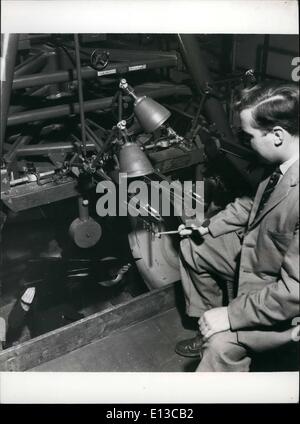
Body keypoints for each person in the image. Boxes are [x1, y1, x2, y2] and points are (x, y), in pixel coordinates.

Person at [175, 82, 299, 371]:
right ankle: (206, 324)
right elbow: (252, 204)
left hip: (286, 298)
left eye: (249, 136)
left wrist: (230, 316)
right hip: (267, 261)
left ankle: (218, 338)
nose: (246, 144)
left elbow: (294, 293)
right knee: (194, 248)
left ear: (277, 135)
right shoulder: (284, 162)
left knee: (220, 348)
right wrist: (207, 227)